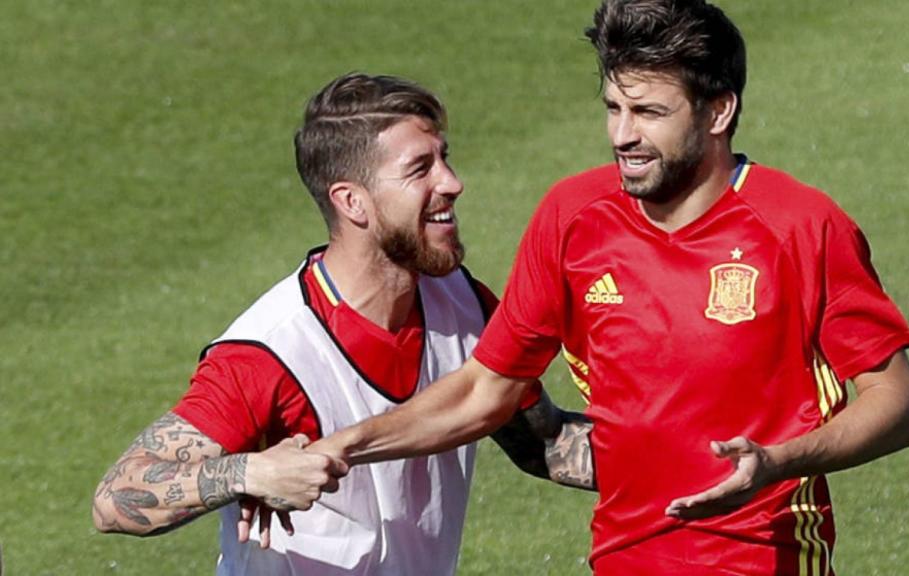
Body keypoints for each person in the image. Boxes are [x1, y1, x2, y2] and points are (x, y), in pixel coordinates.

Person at [304, 1, 909, 575]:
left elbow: (900, 405)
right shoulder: (573, 215)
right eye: (614, 108)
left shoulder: (802, 227)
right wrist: (343, 447)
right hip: (620, 559)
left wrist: (780, 462)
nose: (622, 135)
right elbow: (483, 391)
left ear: (719, 112)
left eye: (650, 112)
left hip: (767, 558)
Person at [92, 72, 593, 576]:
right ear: (352, 201)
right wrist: (250, 472)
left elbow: (544, 444)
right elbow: (116, 498)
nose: (452, 182)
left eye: (445, 158)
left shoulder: (463, 306)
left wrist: (670, 452)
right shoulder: (271, 353)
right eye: (421, 168)